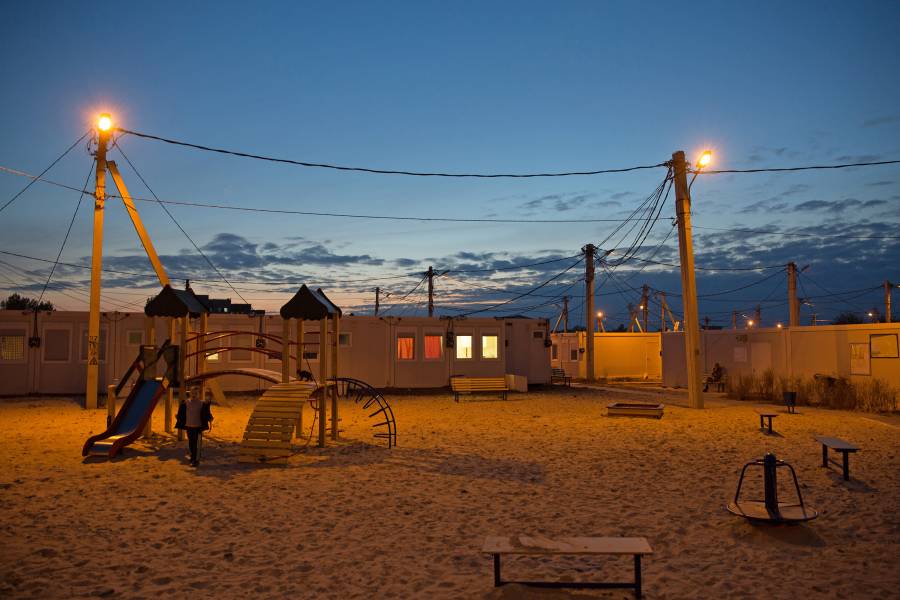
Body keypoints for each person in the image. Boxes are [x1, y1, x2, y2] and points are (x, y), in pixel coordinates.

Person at [175, 388, 213, 467]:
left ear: (198, 394)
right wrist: (178, 417)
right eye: (192, 393)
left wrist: (210, 417)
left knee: (197, 443)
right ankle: (193, 456)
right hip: (189, 426)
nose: (194, 395)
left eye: (196, 393)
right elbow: (182, 412)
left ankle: (195, 459)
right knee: (191, 442)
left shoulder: (201, 403)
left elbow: (206, 411)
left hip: (198, 427)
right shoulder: (186, 402)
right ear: (190, 394)